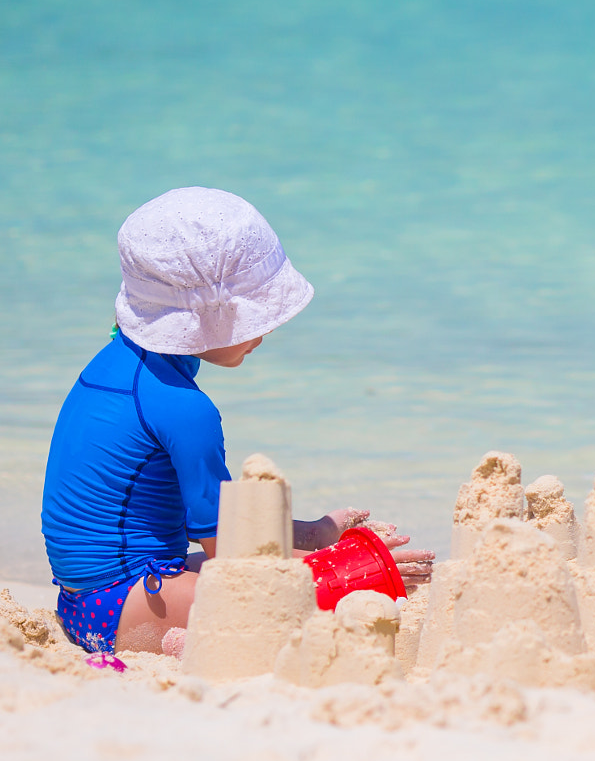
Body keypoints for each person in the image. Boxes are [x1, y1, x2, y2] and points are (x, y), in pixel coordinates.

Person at [42, 187, 433, 657]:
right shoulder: (187, 410)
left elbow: (210, 526)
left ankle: (303, 540)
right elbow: (229, 555)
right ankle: (189, 645)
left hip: (86, 597)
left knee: (293, 554)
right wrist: (347, 568)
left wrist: (310, 533)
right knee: (313, 593)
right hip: (121, 609)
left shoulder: (114, 364)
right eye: (255, 315)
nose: (264, 332)